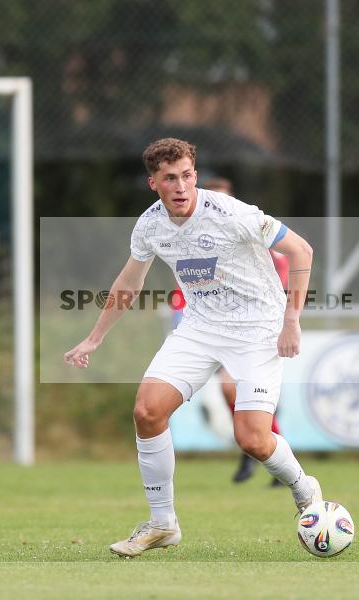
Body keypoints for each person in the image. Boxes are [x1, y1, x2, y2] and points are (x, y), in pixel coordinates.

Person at [64, 138, 322, 558]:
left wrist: (291, 320)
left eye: (187, 175)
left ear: (195, 175)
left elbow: (301, 250)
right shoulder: (149, 225)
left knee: (253, 440)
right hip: (201, 327)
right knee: (147, 411)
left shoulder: (232, 212)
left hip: (258, 329)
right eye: (170, 178)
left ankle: (304, 487)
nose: (180, 186)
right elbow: (129, 284)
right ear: (154, 183)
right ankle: (162, 523)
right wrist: (94, 338)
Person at [172, 174, 288, 486]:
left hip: (258, 329)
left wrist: (287, 319)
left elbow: (286, 266)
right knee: (230, 390)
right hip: (219, 329)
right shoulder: (195, 242)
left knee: (242, 394)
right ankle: (258, 449)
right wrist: (179, 310)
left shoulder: (251, 231)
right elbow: (188, 281)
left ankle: (262, 449)